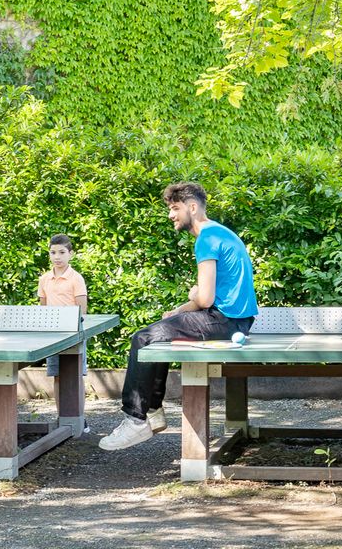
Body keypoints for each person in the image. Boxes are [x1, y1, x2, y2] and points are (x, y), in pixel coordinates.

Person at [99, 182, 258, 451]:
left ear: (192, 207)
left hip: (225, 320)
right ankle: (152, 411)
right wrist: (179, 311)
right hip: (234, 320)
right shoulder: (221, 233)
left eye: (175, 208)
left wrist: (195, 294)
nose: (171, 215)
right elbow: (208, 298)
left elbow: (205, 299)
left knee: (143, 338)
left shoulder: (206, 239)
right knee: (159, 333)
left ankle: (136, 419)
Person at [38, 234, 89, 421]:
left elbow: (82, 309)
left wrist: (75, 329)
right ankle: (62, 418)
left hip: (74, 333)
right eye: (53, 253)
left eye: (61, 252)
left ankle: (79, 418)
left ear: (71, 254)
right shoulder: (44, 279)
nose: (57, 257)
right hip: (53, 335)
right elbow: (42, 308)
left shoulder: (76, 278)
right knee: (57, 376)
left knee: (76, 377)